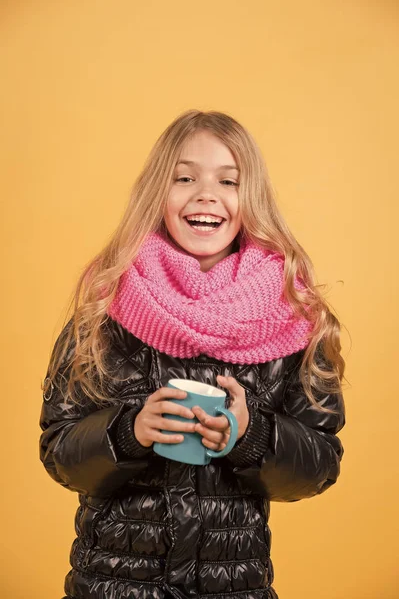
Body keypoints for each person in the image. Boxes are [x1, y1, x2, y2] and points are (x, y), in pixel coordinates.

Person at [39, 109, 346, 599]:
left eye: (229, 180)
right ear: (158, 194)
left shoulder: (290, 312)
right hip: (112, 587)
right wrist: (127, 431)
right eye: (184, 177)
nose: (206, 194)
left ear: (252, 199)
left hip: (232, 588)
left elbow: (319, 465)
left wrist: (252, 435)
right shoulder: (108, 303)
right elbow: (59, 452)